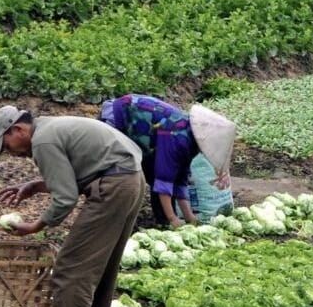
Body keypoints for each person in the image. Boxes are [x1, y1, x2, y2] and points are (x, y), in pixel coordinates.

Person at [0, 106, 143, 307]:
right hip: (131, 179)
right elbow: (82, 169)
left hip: (113, 185)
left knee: (71, 264)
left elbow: (66, 197)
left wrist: (34, 226)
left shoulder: (42, 141)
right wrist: (37, 186)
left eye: (6, 145)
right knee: (103, 261)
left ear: (18, 129)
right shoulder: (49, 126)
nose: (10, 153)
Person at [97, 94, 234, 228]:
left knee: (161, 174)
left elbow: (180, 179)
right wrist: (173, 218)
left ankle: (162, 221)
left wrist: (189, 217)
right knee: (121, 175)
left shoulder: (191, 141)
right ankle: (109, 221)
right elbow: (164, 177)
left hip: (146, 134)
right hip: (120, 118)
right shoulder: (178, 137)